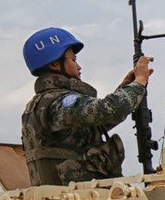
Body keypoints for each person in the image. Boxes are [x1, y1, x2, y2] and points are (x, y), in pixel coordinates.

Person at [20, 27, 153, 186]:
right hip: (78, 196)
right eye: (73, 60)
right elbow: (110, 110)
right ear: (55, 64)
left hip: (69, 194)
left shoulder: (45, 102)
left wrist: (126, 87)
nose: (79, 66)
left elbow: (97, 122)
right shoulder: (59, 101)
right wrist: (139, 83)